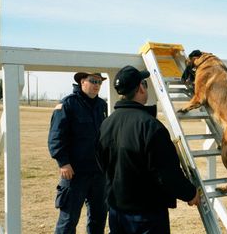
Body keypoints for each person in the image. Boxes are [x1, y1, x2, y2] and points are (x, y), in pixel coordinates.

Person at [96, 65, 200, 234]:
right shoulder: (150, 126)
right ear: (140, 88)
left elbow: (101, 163)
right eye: (144, 83)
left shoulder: (106, 124)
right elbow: (166, 173)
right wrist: (189, 193)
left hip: (116, 212)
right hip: (146, 216)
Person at [48, 72, 108, 234]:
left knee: (99, 218)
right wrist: (63, 162)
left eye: (99, 82)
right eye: (93, 81)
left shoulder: (102, 105)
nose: (97, 85)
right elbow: (56, 136)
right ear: (82, 81)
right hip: (75, 173)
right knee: (68, 220)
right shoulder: (68, 104)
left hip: (98, 172)